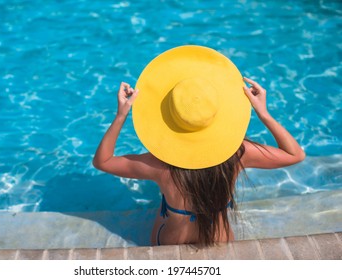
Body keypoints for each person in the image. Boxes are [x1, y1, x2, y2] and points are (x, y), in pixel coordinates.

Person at [93, 46, 305, 246]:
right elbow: (294, 154)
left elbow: (103, 161)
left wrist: (121, 115)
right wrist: (263, 114)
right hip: (220, 239)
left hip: (169, 239)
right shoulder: (239, 154)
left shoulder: (159, 165)